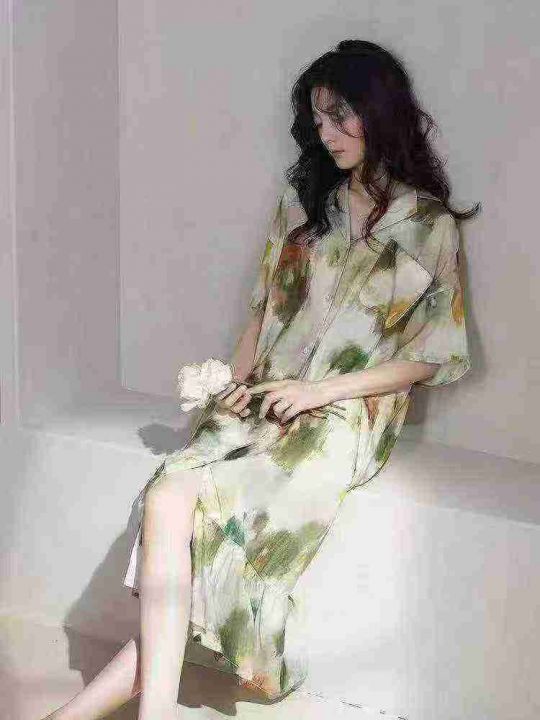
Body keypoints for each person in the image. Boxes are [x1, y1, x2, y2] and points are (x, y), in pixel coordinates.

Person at [41, 38, 479, 720]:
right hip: (262, 400)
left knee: (211, 527)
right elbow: (262, 311)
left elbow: (432, 358)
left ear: (378, 108)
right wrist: (232, 384)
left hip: (342, 418)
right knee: (167, 497)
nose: (327, 133)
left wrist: (320, 391)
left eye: (340, 115)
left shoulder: (428, 226)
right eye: (318, 119)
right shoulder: (305, 203)